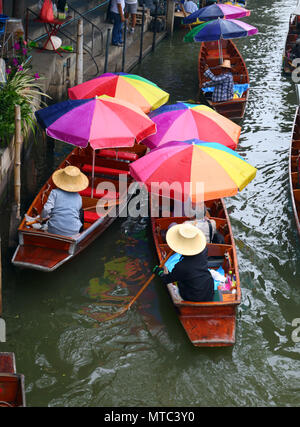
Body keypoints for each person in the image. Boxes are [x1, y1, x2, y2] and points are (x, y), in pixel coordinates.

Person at [153, 223, 214, 302]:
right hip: (208, 288)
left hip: (192, 297)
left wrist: (160, 272)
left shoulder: (182, 266)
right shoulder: (204, 250)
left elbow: (167, 279)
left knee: (177, 282)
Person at [41, 165, 89, 236]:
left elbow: (46, 210)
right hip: (73, 231)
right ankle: (79, 234)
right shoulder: (78, 197)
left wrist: (43, 218)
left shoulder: (55, 192)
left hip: (54, 230)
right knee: (81, 212)